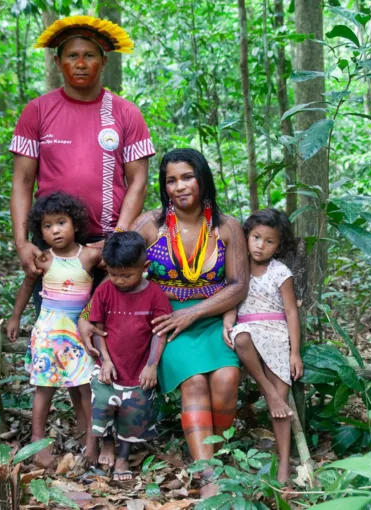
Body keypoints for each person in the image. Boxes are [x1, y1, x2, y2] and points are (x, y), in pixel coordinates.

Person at [9, 15, 155, 445]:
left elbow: (138, 181)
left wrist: (119, 240)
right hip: (54, 246)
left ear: (103, 61)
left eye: (89, 54)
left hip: (108, 246)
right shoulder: (37, 111)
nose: (80, 62)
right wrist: (21, 241)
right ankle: (79, 431)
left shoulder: (125, 113)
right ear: (58, 62)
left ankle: (116, 435)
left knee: (110, 336)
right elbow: (21, 181)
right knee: (60, 335)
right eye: (72, 55)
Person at [83, 148, 249, 478]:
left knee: (227, 379)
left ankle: (219, 449)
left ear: (203, 178)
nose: (180, 186)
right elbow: (117, 268)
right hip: (162, 322)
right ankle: (208, 474)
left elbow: (238, 286)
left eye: (187, 177)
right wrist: (86, 314)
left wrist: (195, 313)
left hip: (212, 316)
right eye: (171, 180)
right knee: (194, 383)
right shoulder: (150, 224)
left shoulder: (227, 227)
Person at [5, 192, 102, 469]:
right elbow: (27, 287)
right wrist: (15, 318)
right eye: (47, 226)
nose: (55, 230)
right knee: (44, 387)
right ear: (41, 232)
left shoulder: (91, 256)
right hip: (49, 330)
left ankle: (91, 441)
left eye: (61, 222)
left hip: (79, 331)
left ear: (76, 223)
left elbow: (117, 272)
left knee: (86, 387)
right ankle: (38, 444)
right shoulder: (44, 259)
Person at [222, 208, 303, 484]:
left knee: (281, 405)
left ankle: (283, 465)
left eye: (270, 241)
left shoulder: (281, 272)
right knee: (241, 336)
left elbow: (292, 312)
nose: (260, 245)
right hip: (247, 332)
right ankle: (267, 390)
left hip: (276, 333)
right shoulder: (237, 266)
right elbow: (231, 300)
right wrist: (228, 323)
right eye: (256, 237)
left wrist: (294, 352)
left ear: (279, 246)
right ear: (247, 235)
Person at [84, 231, 172, 481]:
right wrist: (106, 360)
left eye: (127, 275)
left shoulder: (155, 294)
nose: (120, 280)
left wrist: (152, 365)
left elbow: (159, 333)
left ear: (144, 267)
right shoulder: (104, 291)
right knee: (102, 404)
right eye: (113, 274)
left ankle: (124, 455)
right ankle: (107, 443)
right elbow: (98, 328)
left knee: (133, 413)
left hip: (139, 368)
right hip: (109, 364)